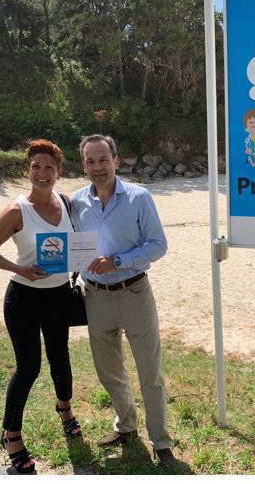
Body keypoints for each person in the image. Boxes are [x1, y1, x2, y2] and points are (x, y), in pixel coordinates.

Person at [0, 139, 82, 474]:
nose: (42, 173)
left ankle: (64, 409)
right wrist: (19, 268)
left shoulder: (66, 202)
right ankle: (11, 434)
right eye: (36, 166)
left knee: (60, 355)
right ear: (28, 170)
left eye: (49, 167)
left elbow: (81, 241)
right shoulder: (16, 210)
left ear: (59, 172)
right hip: (23, 298)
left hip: (59, 294)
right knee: (28, 368)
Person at [71, 134, 175, 466]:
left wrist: (118, 261)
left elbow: (159, 245)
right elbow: (67, 244)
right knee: (109, 371)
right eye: (90, 161)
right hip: (95, 297)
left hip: (134, 292)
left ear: (116, 161)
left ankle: (160, 441)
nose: (97, 166)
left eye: (103, 159)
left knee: (150, 372)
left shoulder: (139, 197)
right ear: (84, 165)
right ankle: (126, 425)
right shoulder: (75, 202)